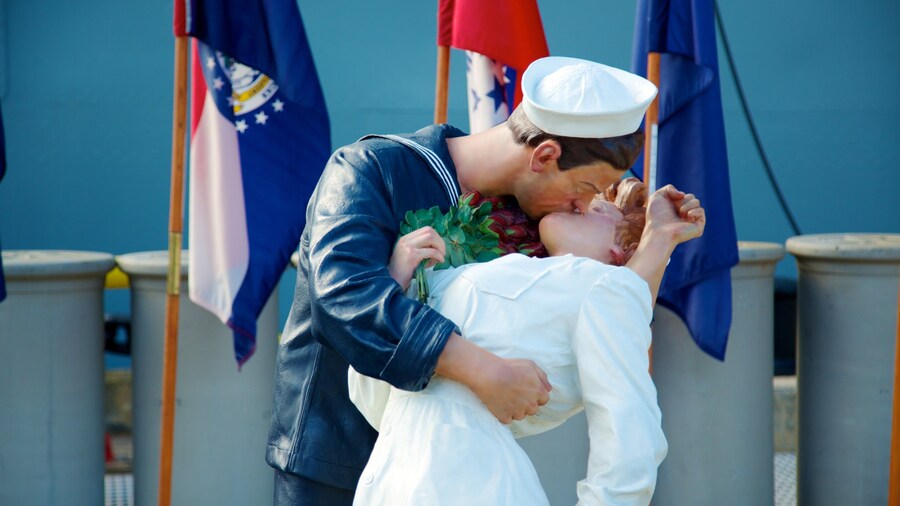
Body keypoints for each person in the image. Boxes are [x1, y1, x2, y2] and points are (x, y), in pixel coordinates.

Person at [266, 56, 658, 503]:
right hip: (335, 460)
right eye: (586, 190)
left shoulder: (542, 225)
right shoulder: (371, 169)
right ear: (545, 155)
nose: (582, 207)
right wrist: (481, 367)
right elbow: (343, 299)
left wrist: (658, 241)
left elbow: (610, 309)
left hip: (453, 471)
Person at [349, 178, 705, 505]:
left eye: (597, 209)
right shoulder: (492, 273)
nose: (579, 205)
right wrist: (396, 285)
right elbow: (374, 401)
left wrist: (659, 236)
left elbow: (630, 439)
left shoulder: (604, 288)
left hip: (475, 487)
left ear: (619, 253)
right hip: (388, 481)